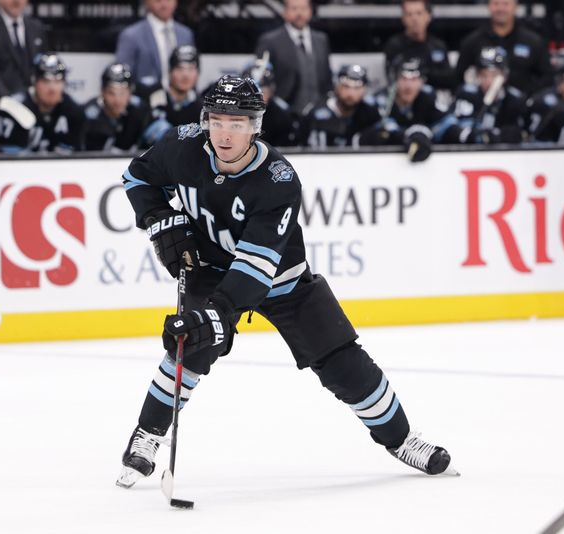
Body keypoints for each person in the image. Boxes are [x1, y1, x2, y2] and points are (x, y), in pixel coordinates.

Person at [115, 75, 457, 490]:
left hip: (282, 280)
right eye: (218, 121)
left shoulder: (278, 180)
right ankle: (148, 434)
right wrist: (160, 221)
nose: (225, 134)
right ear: (205, 120)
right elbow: (137, 178)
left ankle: (403, 440)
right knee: (190, 347)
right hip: (211, 269)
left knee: (343, 364)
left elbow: (256, 270)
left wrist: (215, 314)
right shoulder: (181, 145)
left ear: (256, 126)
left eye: (237, 123)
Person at [455, 0, 552, 97]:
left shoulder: (533, 42)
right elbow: (458, 78)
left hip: (523, 107)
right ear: (489, 6)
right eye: (496, 4)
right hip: (481, 107)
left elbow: (547, 78)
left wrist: (526, 98)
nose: (501, 9)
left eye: (506, 4)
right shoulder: (472, 42)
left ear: (515, 7)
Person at [374, 57, 464, 162]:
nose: (408, 86)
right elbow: (382, 129)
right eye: (403, 78)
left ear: (422, 81)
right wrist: (411, 134)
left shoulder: (428, 96)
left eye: (414, 79)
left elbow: (447, 124)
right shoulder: (383, 99)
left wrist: (466, 134)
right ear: (395, 80)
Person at [0, 53, 84, 153]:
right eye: (46, 81)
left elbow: (76, 155)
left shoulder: (73, 111)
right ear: (34, 81)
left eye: (58, 81)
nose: (52, 88)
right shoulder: (14, 109)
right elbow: (7, 157)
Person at [254, 0, 332, 116]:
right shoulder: (270, 41)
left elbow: (326, 76)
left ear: (310, 12)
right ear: (284, 12)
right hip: (283, 113)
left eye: (304, 8)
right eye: (294, 8)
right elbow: (260, 78)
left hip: (318, 112)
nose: (299, 13)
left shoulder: (321, 39)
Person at [0, 0, 47, 99]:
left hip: (34, 103)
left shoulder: (36, 27)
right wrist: (9, 101)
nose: (16, 1)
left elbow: (43, 66)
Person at [451, 47, 527, 145]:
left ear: (504, 75)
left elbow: (518, 134)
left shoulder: (514, 99)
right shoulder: (467, 94)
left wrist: (494, 135)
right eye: (484, 75)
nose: (489, 81)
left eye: (494, 75)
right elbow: (462, 130)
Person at [299, 64, 384, 148]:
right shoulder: (316, 113)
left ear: (364, 90)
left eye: (357, 88)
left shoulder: (371, 113)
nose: (351, 93)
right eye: (346, 86)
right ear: (337, 86)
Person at [115, 0, 195, 88]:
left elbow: (193, 71)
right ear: (146, 2)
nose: (164, 4)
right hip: (144, 98)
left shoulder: (185, 34)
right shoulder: (131, 36)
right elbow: (122, 78)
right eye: (158, 0)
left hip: (180, 98)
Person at [383, 0, 455, 91]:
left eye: (419, 13)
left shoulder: (438, 46)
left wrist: (424, 73)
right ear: (403, 18)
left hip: (435, 98)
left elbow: (448, 79)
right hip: (407, 97)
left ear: (429, 16)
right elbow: (393, 78)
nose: (414, 19)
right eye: (409, 14)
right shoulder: (395, 46)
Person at [81, 63, 153, 152]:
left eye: (122, 93)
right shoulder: (89, 116)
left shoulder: (140, 110)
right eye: (111, 93)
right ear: (102, 92)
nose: (117, 100)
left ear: (130, 92)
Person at [242, 58, 299, 147]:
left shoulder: (283, 115)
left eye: (262, 91)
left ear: (271, 90)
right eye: (250, 91)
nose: (257, 97)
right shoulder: (233, 112)